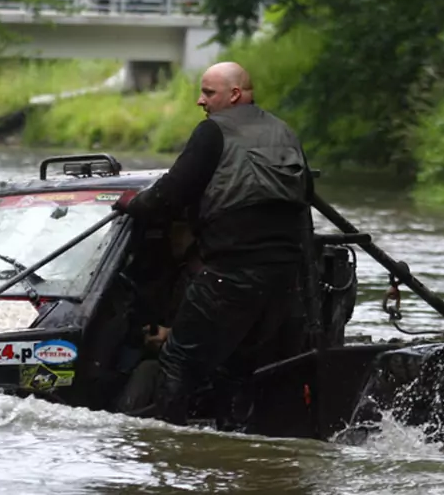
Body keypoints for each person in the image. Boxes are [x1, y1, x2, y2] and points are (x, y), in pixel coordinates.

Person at [114, 62, 314, 426]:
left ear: (234, 94)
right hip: (284, 279)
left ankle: (168, 448)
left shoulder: (212, 133)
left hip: (231, 273)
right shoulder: (284, 132)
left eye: (208, 93)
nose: (199, 101)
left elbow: (168, 196)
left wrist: (131, 203)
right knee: (239, 367)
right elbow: (305, 200)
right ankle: (232, 445)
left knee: (177, 361)